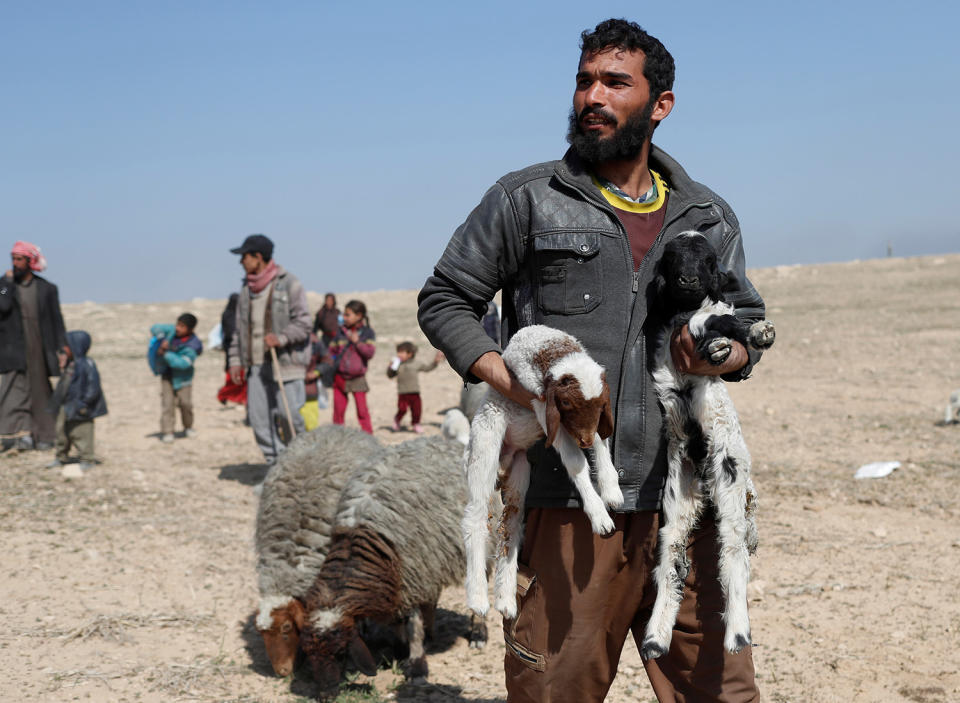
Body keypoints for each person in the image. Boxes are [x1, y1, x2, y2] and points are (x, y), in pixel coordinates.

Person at [417, 19, 767, 702]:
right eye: (583, 81)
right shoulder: (527, 199)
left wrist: (719, 352)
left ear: (659, 105)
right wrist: (515, 385)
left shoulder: (707, 215)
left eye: (614, 82)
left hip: (685, 506)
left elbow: (748, 329)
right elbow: (446, 300)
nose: (591, 97)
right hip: (565, 505)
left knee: (723, 693)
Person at [227, 234, 311, 464]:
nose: (241, 262)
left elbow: (304, 323)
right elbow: (239, 329)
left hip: (286, 363)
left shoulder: (289, 284)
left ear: (258, 257)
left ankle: (301, 466)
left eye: (244, 256)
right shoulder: (246, 290)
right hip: (256, 365)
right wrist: (235, 360)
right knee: (259, 420)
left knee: (289, 416)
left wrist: (281, 338)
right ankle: (274, 467)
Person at [0, 241, 67, 451]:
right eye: (13, 259)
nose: (15, 263)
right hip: (14, 349)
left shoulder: (47, 288)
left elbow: (57, 321)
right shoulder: (4, 286)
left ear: (30, 262)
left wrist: (63, 348)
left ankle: (45, 436)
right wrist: (7, 284)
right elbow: (2, 305)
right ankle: (15, 436)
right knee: (12, 391)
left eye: (20, 259)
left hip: (40, 347)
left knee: (41, 392)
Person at [45, 330, 107, 470]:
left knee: (82, 432)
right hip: (66, 405)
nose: (65, 349)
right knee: (62, 431)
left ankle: (86, 459)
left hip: (81, 406)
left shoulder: (86, 364)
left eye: (68, 345)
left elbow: (93, 387)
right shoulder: (71, 364)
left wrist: (84, 403)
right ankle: (61, 457)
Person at [150, 313, 203, 443]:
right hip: (167, 375)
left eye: (182, 326)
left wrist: (166, 353)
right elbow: (155, 328)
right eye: (177, 324)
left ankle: (188, 427)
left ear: (190, 330)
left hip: (184, 378)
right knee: (167, 404)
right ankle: (168, 431)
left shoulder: (193, 345)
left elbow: (182, 364)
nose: (178, 328)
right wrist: (163, 339)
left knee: (186, 404)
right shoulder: (171, 332)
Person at [327, 299, 375, 434]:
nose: (344, 317)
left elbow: (370, 353)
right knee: (338, 412)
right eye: (344, 314)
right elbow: (332, 353)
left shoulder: (367, 333)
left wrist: (358, 342)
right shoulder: (340, 333)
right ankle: (337, 440)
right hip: (339, 378)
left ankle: (368, 438)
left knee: (362, 411)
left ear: (359, 316)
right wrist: (332, 362)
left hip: (358, 378)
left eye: (348, 315)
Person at [387, 341, 443, 433]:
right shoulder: (397, 364)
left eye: (402, 352)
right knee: (402, 409)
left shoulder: (416, 363)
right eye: (398, 352)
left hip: (414, 392)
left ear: (410, 354)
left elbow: (428, 368)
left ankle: (416, 424)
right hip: (402, 393)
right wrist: (390, 367)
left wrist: (435, 362)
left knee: (417, 410)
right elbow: (390, 375)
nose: (399, 354)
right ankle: (397, 420)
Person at [216, 293, 247, 406]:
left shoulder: (237, 314)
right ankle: (223, 394)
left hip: (236, 350)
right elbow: (231, 333)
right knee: (234, 377)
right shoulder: (229, 315)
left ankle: (241, 399)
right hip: (232, 351)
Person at [301, 333, 333, 431]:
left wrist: (316, 372)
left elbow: (328, 361)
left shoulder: (315, 342)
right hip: (287, 392)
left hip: (309, 392)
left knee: (311, 427)